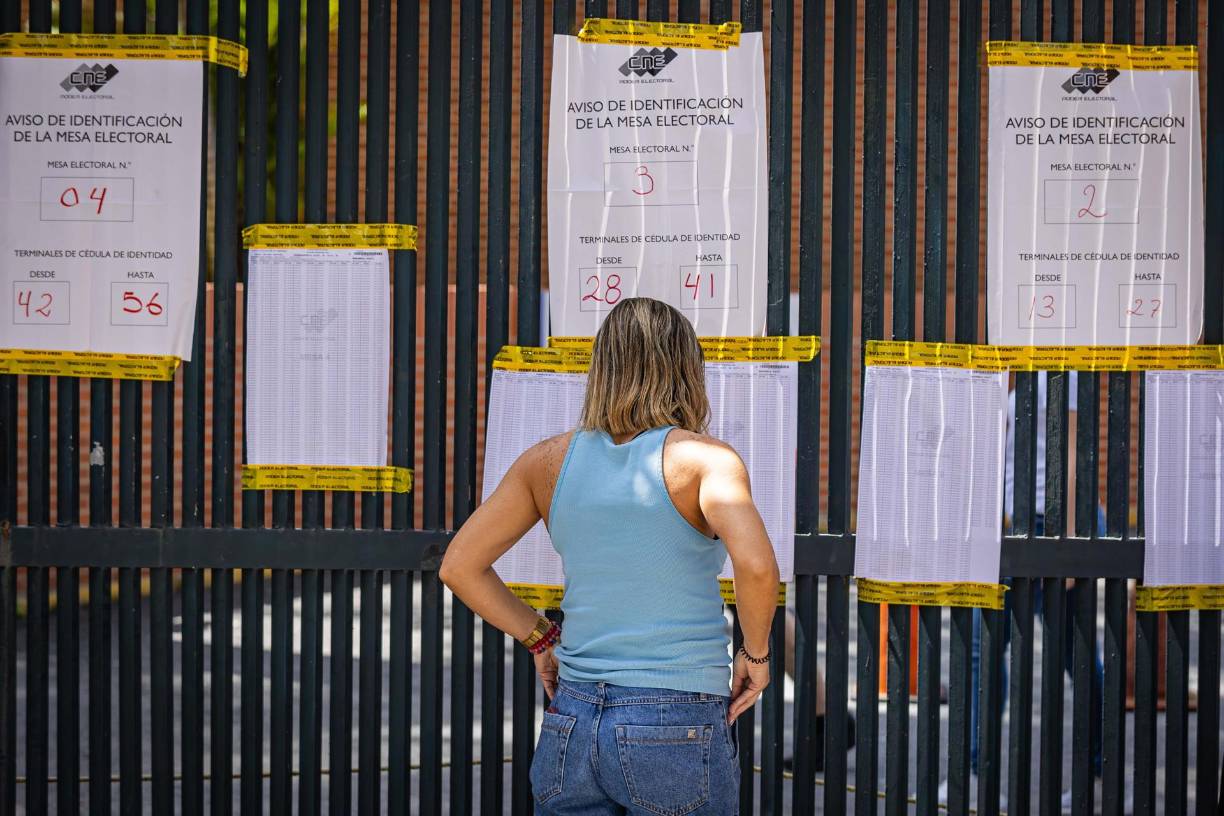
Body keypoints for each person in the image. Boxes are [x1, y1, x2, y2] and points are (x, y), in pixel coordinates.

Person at [441, 298, 781, 814]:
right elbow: (756, 567)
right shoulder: (706, 461)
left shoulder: (546, 462)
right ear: (687, 368)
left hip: (572, 718)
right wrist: (754, 655)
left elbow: (459, 566)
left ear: (602, 368)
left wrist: (541, 637)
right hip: (675, 716)